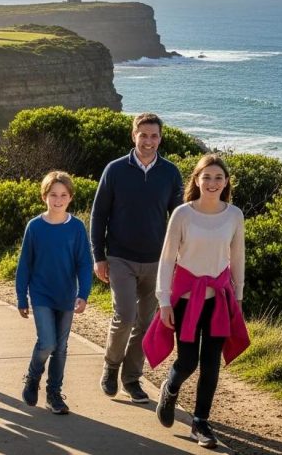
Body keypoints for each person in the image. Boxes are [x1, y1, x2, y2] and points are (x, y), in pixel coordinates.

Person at [145, 154, 248, 449]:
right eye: (207, 177)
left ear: (226, 182)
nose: (213, 183)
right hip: (186, 299)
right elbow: (166, 260)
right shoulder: (182, 214)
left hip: (219, 298)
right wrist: (164, 301)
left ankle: (201, 422)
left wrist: (238, 298)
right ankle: (171, 387)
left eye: (218, 177)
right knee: (188, 360)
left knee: (211, 363)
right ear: (196, 180)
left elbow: (238, 258)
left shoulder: (234, 215)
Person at [90, 112, 183, 403]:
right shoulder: (115, 170)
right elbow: (99, 214)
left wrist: (179, 256)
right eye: (143, 135)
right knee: (125, 316)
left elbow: (178, 218)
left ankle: (132, 379)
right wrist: (99, 256)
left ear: (160, 138)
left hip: (157, 261)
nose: (149, 141)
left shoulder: (170, 172)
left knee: (145, 322)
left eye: (154, 136)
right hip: (120, 258)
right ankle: (111, 366)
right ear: (134, 136)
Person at [17, 171, 93, 415]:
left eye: (63, 195)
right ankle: (32, 376)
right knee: (47, 343)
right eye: (53, 195)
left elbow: (83, 262)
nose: (58, 200)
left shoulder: (77, 227)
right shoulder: (35, 227)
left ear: (70, 198)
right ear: (44, 197)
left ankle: (54, 394)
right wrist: (21, 297)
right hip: (40, 294)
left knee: (61, 347)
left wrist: (84, 293)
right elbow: (24, 264)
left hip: (67, 296)